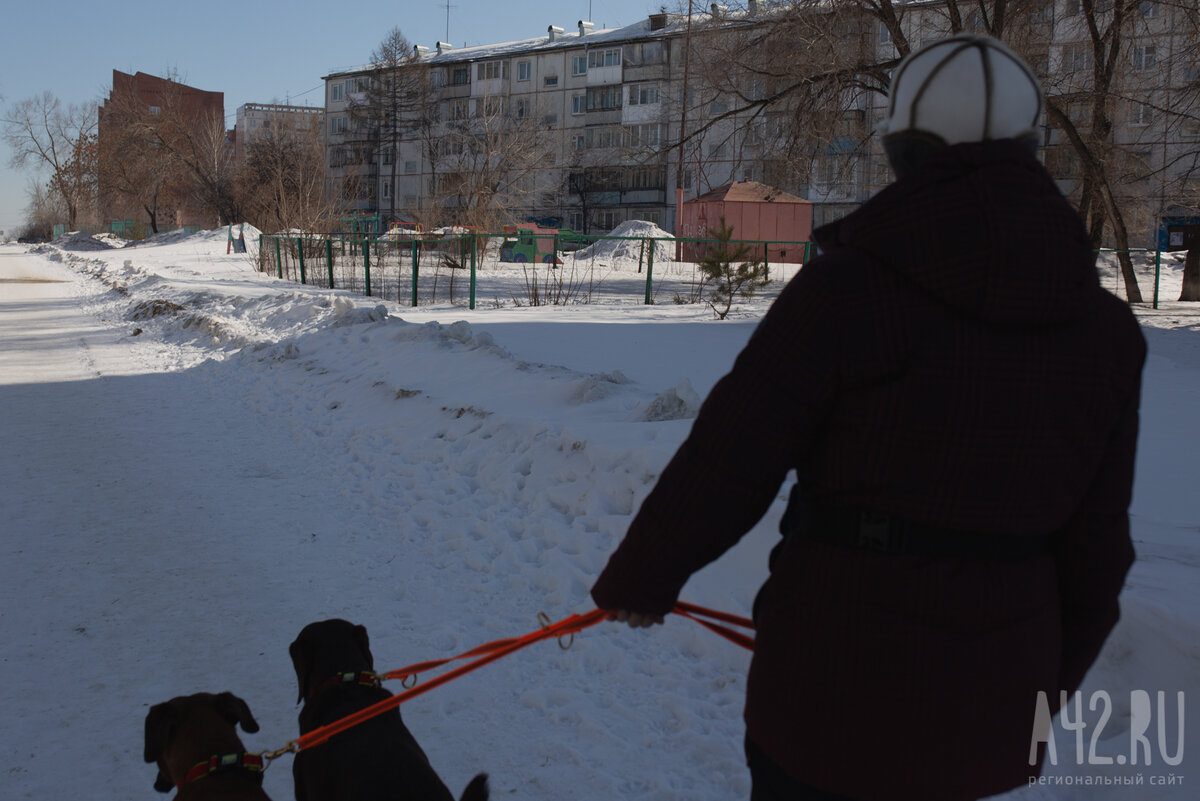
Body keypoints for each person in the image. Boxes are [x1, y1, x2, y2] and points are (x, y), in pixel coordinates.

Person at [591, 34, 1146, 801]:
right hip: (990, 713)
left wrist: (642, 578)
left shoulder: (846, 294)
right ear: (1028, 147)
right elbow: (1100, 549)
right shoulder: (1107, 331)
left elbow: (731, 457)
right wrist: (1034, 685)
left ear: (904, 152)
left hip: (830, 700)